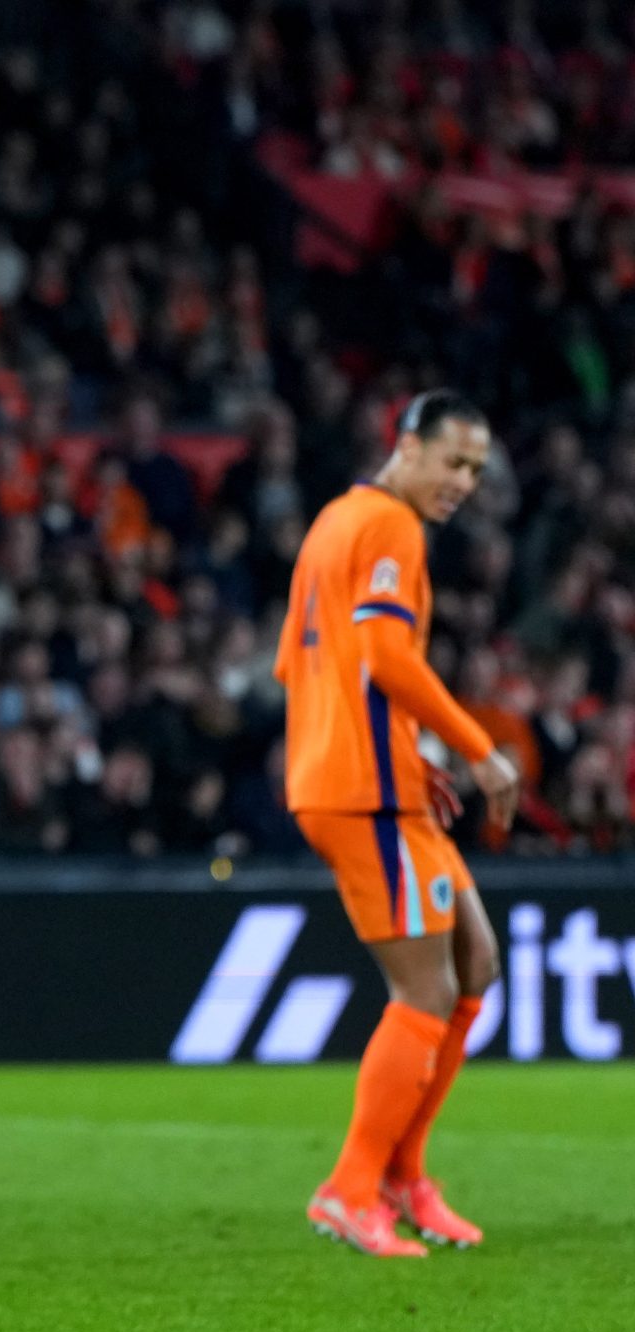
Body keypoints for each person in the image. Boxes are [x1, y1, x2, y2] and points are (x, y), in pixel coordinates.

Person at [276, 389, 521, 1258]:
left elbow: (304, 664)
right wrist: (475, 747)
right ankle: (351, 1187)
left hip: (380, 780)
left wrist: (410, 755)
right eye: (452, 462)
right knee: (424, 991)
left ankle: (405, 1177)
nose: (462, 483)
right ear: (406, 447)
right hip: (361, 792)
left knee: (476, 960)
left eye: (477, 471)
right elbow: (384, 656)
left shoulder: (336, 523)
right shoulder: (389, 527)